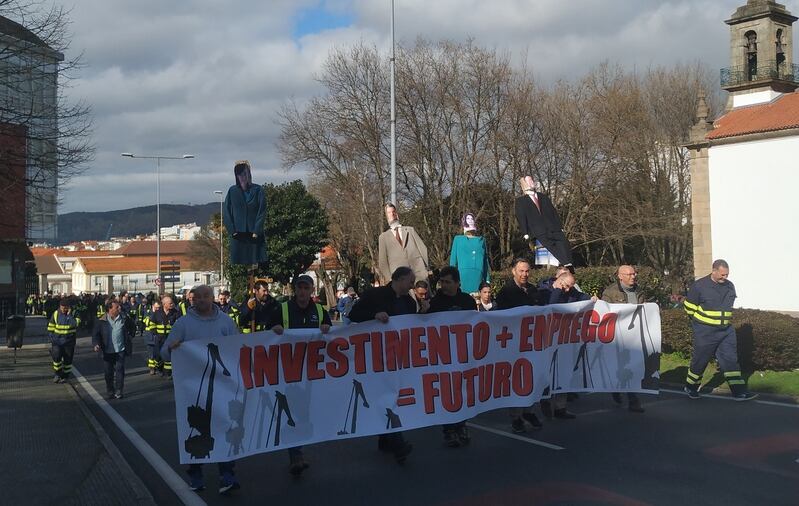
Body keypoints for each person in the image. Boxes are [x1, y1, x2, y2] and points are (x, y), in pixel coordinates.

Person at [161, 285, 241, 494]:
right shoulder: (183, 324)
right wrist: (171, 349)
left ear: (213, 298)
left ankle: (227, 475)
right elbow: (164, 353)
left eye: (207, 296)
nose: (203, 300)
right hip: (194, 389)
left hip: (223, 387)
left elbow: (239, 348)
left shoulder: (226, 322)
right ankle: (196, 476)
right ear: (192, 300)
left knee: (225, 428)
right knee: (196, 430)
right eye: (198, 297)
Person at [348, 266, 421, 463]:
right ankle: (398, 444)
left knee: (392, 397)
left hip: (398, 358)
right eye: (410, 281)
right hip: (376, 358)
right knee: (386, 398)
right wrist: (374, 315)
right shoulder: (375, 294)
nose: (412, 286)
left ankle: (385, 439)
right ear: (399, 279)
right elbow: (354, 314)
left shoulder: (408, 302)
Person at [265, 274, 332, 475]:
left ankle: (298, 448)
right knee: (291, 412)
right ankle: (295, 454)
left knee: (305, 412)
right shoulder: (282, 308)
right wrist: (273, 328)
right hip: (288, 370)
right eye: (299, 288)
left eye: (306, 288)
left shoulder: (320, 311)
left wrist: (327, 328)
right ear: (295, 290)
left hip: (313, 370)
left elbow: (331, 335)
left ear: (312, 290)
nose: (302, 292)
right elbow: (266, 331)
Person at [683, 260, 757, 401]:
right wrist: (701, 325)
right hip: (705, 331)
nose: (725, 277)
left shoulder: (730, 286)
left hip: (726, 331)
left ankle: (739, 392)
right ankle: (691, 387)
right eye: (722, 275)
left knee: (731, 361)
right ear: (714, 271)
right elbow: (689, 308)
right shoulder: (699, 286)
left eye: (727, 275)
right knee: (700, 360)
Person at [428, 266, 478, 447]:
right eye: (442, 282)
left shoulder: (467, 301)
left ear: (457, 283)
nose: (444, 285)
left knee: (463, 391)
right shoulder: (434, 303)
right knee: (447, 393)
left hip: (464, 354)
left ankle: (462, 425)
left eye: (448, 282)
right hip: (443, 356)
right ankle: (449, 429)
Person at [538, 271, 596, 420]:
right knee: (548, 371)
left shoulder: (571, 289)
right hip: (549, 339)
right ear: (559, 281)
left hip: (566, 338)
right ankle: (546, 399)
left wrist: (591, 298)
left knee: (564, 372)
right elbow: (552, 306)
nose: (568, 290)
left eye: (570, 286)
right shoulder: (544, 290)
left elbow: (580, 297)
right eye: (566, 286)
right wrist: (557, 289)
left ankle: (560, 407)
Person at [493, 258, 543, 432]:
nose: (524, 274)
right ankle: (516, 416)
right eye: (521, 271)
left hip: (532, 342)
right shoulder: (506, 292)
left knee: (531, 377)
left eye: (527, 271)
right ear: (513, 271)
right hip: (513, 343)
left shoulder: (534, 290)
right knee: (515, 380)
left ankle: (529, 410)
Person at [601, 265, 646, 413]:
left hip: (635, 337)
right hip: (618, 338)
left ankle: (631, 397)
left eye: (634, 273)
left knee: (633, 367)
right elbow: (604, 313)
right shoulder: (610, 292)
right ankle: (627, 395)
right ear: (620, 276)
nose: (633, 276)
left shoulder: (640, 291)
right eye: (629, 274)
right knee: (623, 367)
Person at [514, 175, 573, 269]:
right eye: (529, 181)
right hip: (539, 231)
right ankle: (566, 263)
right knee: (551, 247)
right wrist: (525, 232)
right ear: (524, 185)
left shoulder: (543, 197)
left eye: (532, 180)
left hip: (554, 228)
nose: (532, 182)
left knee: (564, 243)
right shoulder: (521, 201)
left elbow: (553, 212)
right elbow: (521, 216)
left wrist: (560, 226)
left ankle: (568, 263)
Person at [223, 160, 267, 266]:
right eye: (239, 174)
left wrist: (257, 230)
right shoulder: (232, 191)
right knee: (239, 263)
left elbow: (262, 211)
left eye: (244, 174)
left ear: (249, 174)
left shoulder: (258, 190)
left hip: (254, 235)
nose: (242, 177)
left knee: (254, 262)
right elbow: (226, 211)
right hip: (238, 235)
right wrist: (232, 230)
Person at [377, 203, 430, 284]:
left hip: (419, 274)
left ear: (397, 213)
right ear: (386, 216)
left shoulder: (410, 230)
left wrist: (426, 269)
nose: (392, 214)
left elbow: (423, 248)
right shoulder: (383, 237)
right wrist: (390, 280)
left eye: (393, 211)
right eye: (389, 213)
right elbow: (382, 262)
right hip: (399, 279)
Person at [92, 300, 133, 399]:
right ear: (110, 309)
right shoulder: (101, 320)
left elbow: (132, 327)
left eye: (119, 307)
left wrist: (130, 336)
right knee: (108, 372)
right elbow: (95, 335)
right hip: (107, 351)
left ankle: (119, 390)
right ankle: (110, 390)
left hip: (120, 350)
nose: (119, 308)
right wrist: (96, 344)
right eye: (116, 307)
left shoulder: (124, 318)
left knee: (120, 371)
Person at [448, 213, 490, 293]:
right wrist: (451, 278)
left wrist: (487, 279)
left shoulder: (481, 240)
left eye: (472, 219)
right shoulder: (458, 239)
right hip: (462, 276)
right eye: (468, 218)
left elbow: (485, 262)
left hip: (478, 276)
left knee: (477, 300)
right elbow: (453, 261)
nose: (470, 220)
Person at [47, 298, 81, 383]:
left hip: (69, 341)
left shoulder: (74, 313)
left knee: (68, 360)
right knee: (56, 358)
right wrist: (52, 337)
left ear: (69, 307)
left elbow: (75, 324)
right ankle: (57, 374)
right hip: (57, 341)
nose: (63, 309)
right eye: (62, 307)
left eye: (65, 308)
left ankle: (65, 376)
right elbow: (51, 326)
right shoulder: (56, 313)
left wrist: (69, 315)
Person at [148, 295, 181, 378]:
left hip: (170, 338)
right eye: (170, 303)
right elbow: (151, 324)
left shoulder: (175, 313)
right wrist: (155, 333)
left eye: (172, 303)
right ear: (164, 304)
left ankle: (167, 372)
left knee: (168, 355)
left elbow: (179, 324)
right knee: (158, 355)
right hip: (159, 338)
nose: (172, 304)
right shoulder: (157, 313)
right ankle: (159, 368)